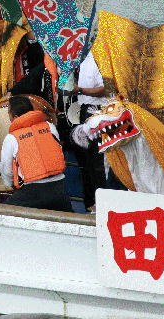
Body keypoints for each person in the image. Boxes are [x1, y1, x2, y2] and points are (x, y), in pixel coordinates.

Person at [0, 96, 72, 212]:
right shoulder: (50, 127)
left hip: (32, 192)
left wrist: (11, 186)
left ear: (16, 117)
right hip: (59, 189)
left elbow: (6, 170)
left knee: (2, 214)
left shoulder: (11, 138)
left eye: (9, 115)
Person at [70, 51, 108, 213]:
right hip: (82, 109)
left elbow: (106, 88)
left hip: (99, 111)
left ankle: (103, 204)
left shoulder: (100, 56)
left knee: (99, 162)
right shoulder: (79, 57)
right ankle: (92, 201)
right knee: (88, 162)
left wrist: (80, 90)